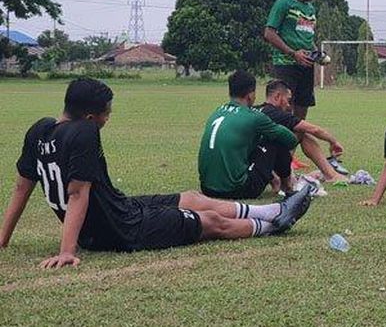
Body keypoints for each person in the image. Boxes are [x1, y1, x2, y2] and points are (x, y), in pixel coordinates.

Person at [0, 78, 312, 269]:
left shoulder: (40, 129)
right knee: (209, 223)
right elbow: (77, 193)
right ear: (91, 115)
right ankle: (274, 225)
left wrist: (3, 240)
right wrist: (67, 251)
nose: (108, 120)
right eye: (107, 114)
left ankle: (274, 210)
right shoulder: (84, 131)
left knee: (190, 198)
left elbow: (21, 188)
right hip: (117, 230)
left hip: (119, 208)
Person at [198, 71, 300, 199]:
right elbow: (291, 140)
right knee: (274, 138)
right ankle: (288, 186)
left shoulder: (217, 112)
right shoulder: (254, 117)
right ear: (250, 95)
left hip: (207, 188)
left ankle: (275, 180)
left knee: (251, 141)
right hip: (237, 189)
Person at [262, 0, 329, 120]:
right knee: (284, 113)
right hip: (287, 65)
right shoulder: (284, 3)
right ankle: (278, 144)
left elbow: (306, 37)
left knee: (301, 116)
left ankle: (294, 143)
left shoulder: (310, 9)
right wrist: (293, 53)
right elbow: (269, 33)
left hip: (306, 65)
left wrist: (316, 53)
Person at [256, 80, 347, 187]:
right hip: (261, 167)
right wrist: (333, 142)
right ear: (277, 96)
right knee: (302, 133)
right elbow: (314, 130)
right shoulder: (276, 114)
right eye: (288, 100)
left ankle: (292, 177)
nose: (289, 105)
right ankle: (331, 174)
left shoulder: (255, 109)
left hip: (253, 164)